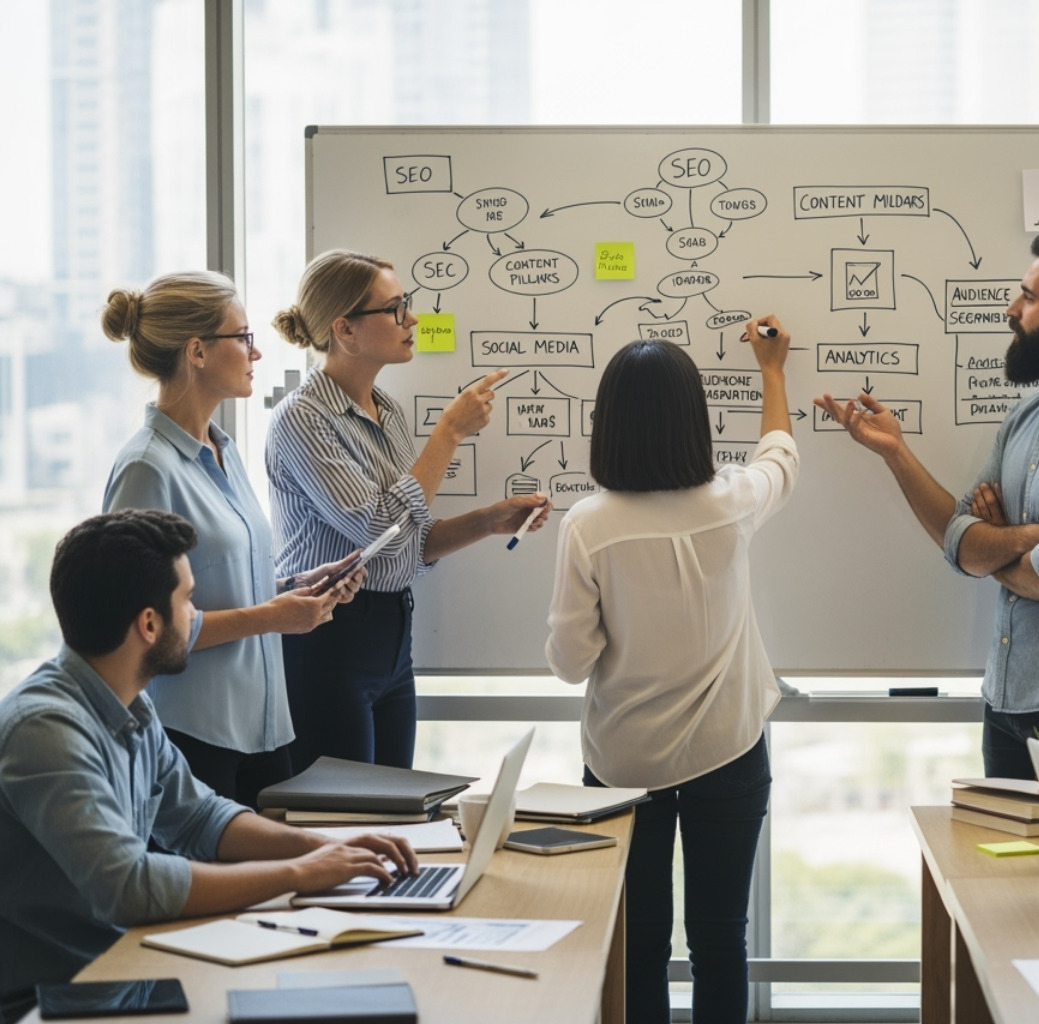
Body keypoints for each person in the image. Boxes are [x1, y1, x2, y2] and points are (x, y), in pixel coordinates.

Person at [0, 510, 418, 1024]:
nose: (195, 615)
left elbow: (199, 818)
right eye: (188, 601)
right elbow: (128, 887)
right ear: (149, 624)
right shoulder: (44, 731)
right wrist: (298, 874)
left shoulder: (127, 702)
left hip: (124, 972)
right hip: (55, 998)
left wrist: (326, 848)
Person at [816, 229, 1039, 787]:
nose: (1012, 310)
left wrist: (998, 543)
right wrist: (1023, 535)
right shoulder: (1029, 416)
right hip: (1007, 696)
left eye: (1029, 297)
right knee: (997, 874)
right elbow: (960, 539)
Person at [546, 317, 797, 1024]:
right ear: (696, 420)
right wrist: (771, 371)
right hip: (730, 749)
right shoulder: (733, 501)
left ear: (608, 425)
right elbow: (781, 455)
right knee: (722, 939)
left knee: (639, 942)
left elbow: (570, 662)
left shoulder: (589, 525)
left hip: (624, 762)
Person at [269, 249, 549, 772]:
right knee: (344, 825)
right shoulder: (301, 419)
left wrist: (488, 521)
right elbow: (376, 527)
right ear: (345, 330)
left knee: (395, 812)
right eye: (395, 309)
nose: (412, 319)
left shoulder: (387, 409)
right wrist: (449, 433)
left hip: (392, 634)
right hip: (330, 636)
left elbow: (408, 543)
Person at [100, 271, 364, 807]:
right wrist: (273, 617)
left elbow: (231, 579)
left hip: (264, 732)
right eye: (242, 337)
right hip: (191, 740)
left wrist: (298, 585)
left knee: (273, 890)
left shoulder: (225, 450)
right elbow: (145, 627)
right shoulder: (147, 468)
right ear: (196, 351)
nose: (256, 352)